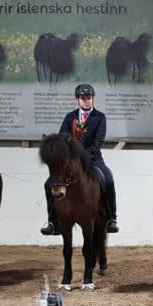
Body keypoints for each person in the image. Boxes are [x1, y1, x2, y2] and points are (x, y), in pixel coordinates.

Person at [41, 83, 119, 235]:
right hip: (71, 161)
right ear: (78, 99)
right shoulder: (70, 117)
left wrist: (82, 156)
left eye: (89, 98)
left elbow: (98, 142)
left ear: (93, 99)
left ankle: (112, 218)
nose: (86, 101)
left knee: (108, 180)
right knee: (48, 184)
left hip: (93, 158)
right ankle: (52, 222)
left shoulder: (100, 117)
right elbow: (62, 139)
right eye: (83, 98)